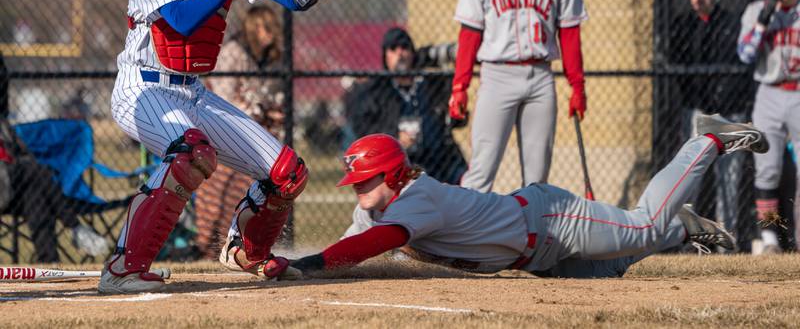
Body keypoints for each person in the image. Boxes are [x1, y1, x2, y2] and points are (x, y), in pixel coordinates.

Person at [99, 0, 334, 293]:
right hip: (143, 86)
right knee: (190, 153)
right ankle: (123, 269)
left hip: (192, 92)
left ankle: (247, 252)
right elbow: (179, 22)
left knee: (288, 173)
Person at [284, 114, 767, 279]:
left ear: (391, 174)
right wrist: (293, 265)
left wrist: (308, 265)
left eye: (366, 181)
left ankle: (707, 139)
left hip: (553, 220)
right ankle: (684, 226)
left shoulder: (415, 198)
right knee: (612, 269)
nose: (360, 190)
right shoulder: (379, 207)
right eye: (357, 185)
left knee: (642, 224)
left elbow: (364, 248)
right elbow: (344, 253)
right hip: (536, 257)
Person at [449, 0, 587, 192]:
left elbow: (570, 34)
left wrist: (577, 85)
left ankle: (533, 240)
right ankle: (466, 237)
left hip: (540, 76)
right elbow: (469, 36)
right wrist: (459, 87)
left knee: (537, 179)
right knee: (481, 171)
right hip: (497, 75)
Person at [667, 0, 752, 243]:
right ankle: (687, 238)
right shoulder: (681, 26)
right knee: (690, 177)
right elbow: (676, 67)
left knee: (728, 178)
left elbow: (740, 64)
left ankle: (728, 238)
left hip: (729, 109)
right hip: (697, 110)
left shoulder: (730, 23)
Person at [194, 5, 285, 259]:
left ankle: (238, 242)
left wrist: (271, 111)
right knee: (217, 185)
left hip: (256, 133)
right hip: (222, 128)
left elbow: (275, 96)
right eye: (264, 29)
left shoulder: (273, 57)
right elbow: (223, 99)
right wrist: (257, 110)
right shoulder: (233, 52)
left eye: (272, 28)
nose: (270, 35)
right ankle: (208, 246)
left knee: (252, 185)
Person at [0, 53, 109, 262]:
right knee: (35, 172)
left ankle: (49, 261)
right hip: (8, 179)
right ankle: (75, 228)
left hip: (8, 184)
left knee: (36, 195)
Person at [737, 0, 800, 254]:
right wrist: (763, 22)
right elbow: (745, 55)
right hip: (769, 91)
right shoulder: (755, 11)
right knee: (767, 168)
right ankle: (771, 237)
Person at [349, 27, 467, 184]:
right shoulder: (377, 91)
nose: (400, 53)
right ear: (385, 56)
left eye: (405, 47)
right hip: (401, 166)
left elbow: (459, 119)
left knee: (468, 182)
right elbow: (363, 127)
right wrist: (394, 137)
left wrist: (455, 115)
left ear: (412, 53)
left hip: (440, 160)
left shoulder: (431, 84)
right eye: (393, 49)